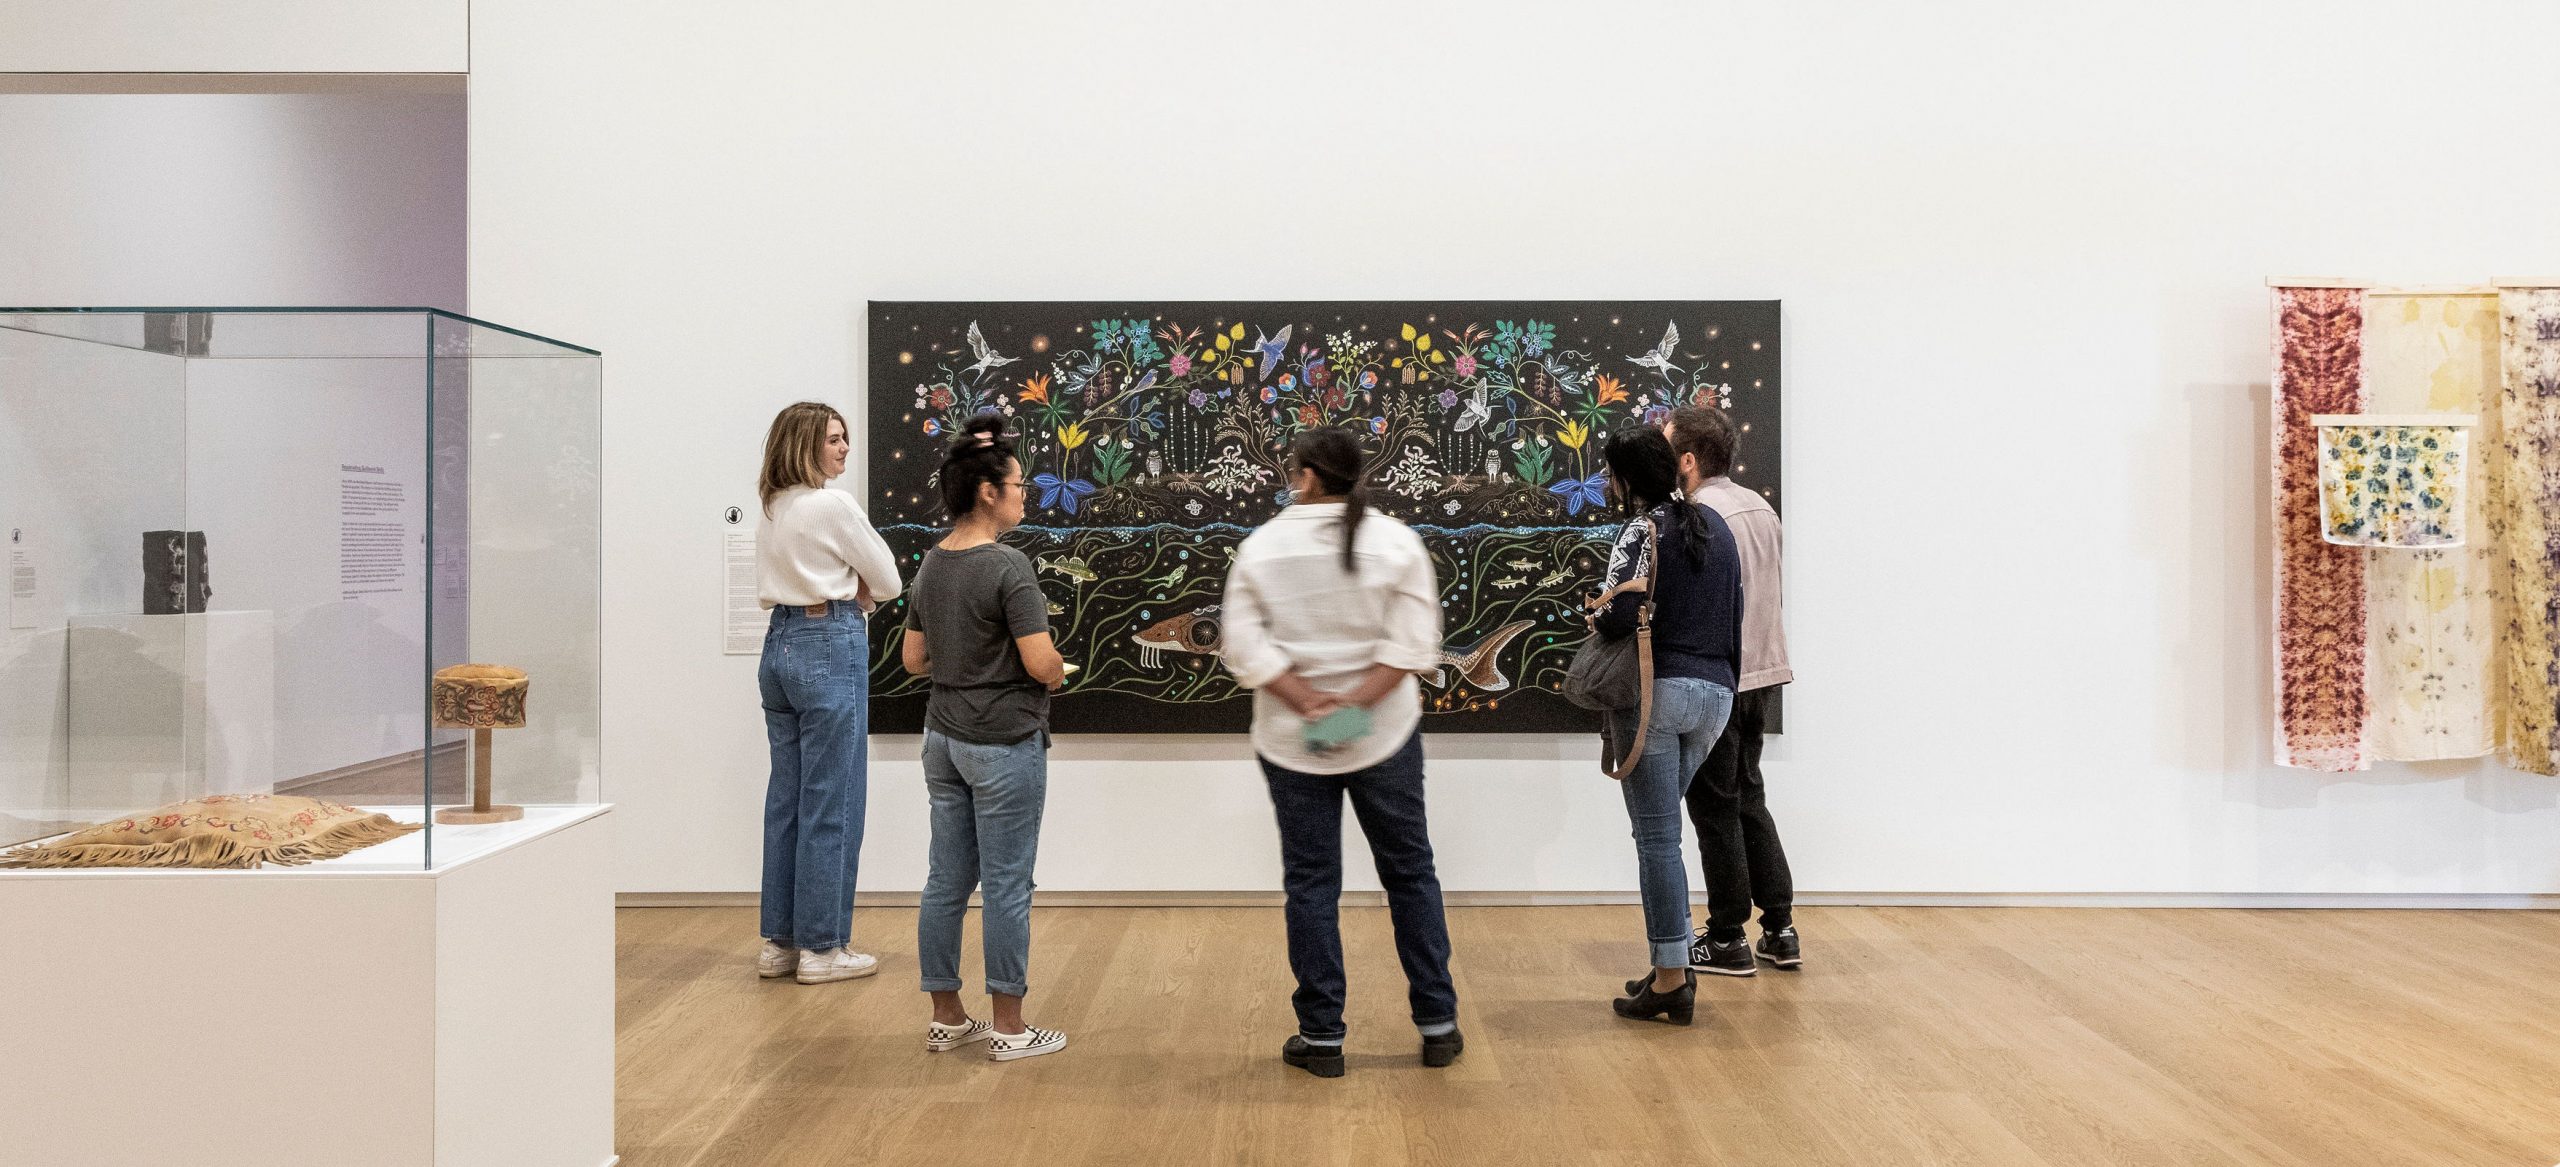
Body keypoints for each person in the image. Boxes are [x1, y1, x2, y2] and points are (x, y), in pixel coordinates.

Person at [1221, 426, 1463, 1078]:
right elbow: (1413, 649)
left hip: (1292, 738)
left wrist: (1313, 706)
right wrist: (1353, 710)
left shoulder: (1261, 547)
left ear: (1302, 475)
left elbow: (1243, 648)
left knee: (1311, 883)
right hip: (1383, 732)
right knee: (1410, 874)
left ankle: (1322, 1036)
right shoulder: (1398, 542)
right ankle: (1437, 1023)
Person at [899, 414, 1069, 1062]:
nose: (1027, 493)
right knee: (1006, 882)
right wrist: (1053, 672)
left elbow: (915, 660)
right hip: (1002, 742)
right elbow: (1041, 664)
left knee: (946, 878)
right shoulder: (1009, 565)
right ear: (989, 492)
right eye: (1019, 484)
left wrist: (964, 664)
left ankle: (946, 1015)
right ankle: (1010, 1027)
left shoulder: (932, 563)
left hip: (941, 738)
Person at [1586, 427, 1743, 1025]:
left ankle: (1673, 980)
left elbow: (1622, 615)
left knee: (1657, 839)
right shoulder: (1717, 527)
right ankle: (1669, 963)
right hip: (1716, 697)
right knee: (1667, 833)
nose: (1606, 483)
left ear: (1627, 479)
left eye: (1610, 474)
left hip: (1658, 694)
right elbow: (1736, 613)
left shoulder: (1640, 529)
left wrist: (1596, 613)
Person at [754, 401, 903, 984]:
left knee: (786, 800)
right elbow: (889, 580)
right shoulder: (832, 504)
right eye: (834, 440)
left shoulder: (772, 506)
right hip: (828, 642)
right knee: (833, 798)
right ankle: (823, 948)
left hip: (780, 646)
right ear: (805, 445)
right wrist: (860, 589)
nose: (844, 449)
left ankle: (781, 943)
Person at [1666, 405, 1799, 976]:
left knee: (1715, 806)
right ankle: (1780, 928)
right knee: (1748, 796)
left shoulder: (1696, 514)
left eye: (1667, 448)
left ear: (1688, 460)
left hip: (1721, 675)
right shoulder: (1760, 508)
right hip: (1764, 673)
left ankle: (1726, 937)